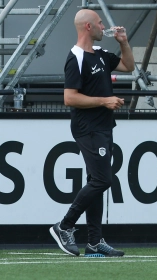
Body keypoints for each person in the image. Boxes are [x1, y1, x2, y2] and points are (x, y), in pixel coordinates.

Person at [49, 9, 134, 257]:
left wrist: (124, 43)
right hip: (88, 128)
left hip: (104, 127)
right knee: (102, 180)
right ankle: (64, 226)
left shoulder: (102, 54)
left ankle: (95, 242)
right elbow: (69, 98)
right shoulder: (75, 57)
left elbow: (129, 65)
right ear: (88, 27)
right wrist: (104, 101)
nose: (103, 26)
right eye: (99, 23)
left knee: (96, 182)